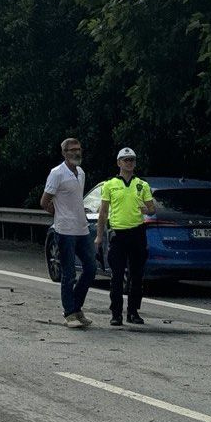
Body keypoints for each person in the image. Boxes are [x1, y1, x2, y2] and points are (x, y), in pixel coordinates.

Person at [97, 147, 156, 326]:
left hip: (137, 232)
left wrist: (147, 209)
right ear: (119, 163)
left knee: (137, 274)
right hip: (118, 233)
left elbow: (152, 209)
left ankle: (133, 311)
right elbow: (103, 212)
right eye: (126, 160)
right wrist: (99, 236)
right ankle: (116, 313)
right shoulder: (110, 185)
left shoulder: (142, 184)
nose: (129, 163)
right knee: (116, 275)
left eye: (132, 160)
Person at [41, 138, 95, 328]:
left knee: (91, 268)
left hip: (82, 228)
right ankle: (69, 313)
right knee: (69, 273)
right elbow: (44, 201)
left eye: (78, 149)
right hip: (64, 230)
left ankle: (76, 307)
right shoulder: (57, 173)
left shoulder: (80, 173)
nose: (76, 153)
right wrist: (59, 215)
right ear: (64, 153)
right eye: (72, 150)